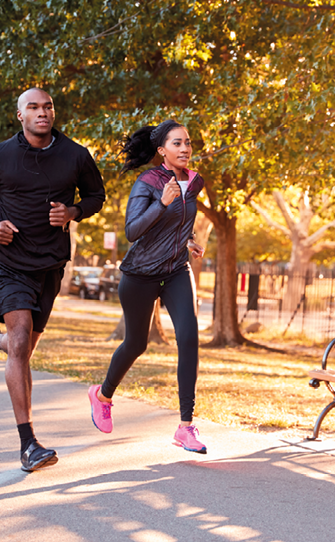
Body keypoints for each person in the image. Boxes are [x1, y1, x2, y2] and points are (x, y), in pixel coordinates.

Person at [0, 88, 105, 472]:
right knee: (22, 337)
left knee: (21, 349)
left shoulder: (76, 155)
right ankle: (29, 444)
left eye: (47, 107)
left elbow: (97, 196)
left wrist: (73, 211)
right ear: (20, 115)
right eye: (33, 107)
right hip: (10, 264)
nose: (42, 113)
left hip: (50, 267)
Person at [88, 119, 207, 453]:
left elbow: (181, 222)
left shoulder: (195, 182)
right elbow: (133, 230)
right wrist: (162, 203)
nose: (185, 149)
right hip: (140, 274)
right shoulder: (149, 182)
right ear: (161, 150)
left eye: (188, 143)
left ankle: (186, 427)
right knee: (136, 344)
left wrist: (189, 241)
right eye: (177, 144)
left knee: (189, 338)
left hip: (176, 271)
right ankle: (102, 395)